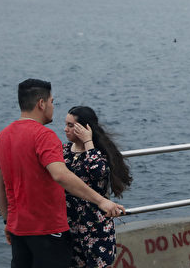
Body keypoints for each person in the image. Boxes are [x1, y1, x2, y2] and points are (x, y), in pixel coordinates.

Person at [0, 79, 125, 268]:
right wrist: (102, 201)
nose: (53, 107)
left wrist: (7, 220)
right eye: (52, 102)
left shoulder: (2, 136)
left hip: (17, 229)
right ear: (41, 103)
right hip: (48, 231)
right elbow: (60, 175)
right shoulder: (44, 136)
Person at [63, 106, 132, 268]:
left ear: (85, 128)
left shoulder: (98, 153)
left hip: (96, 227)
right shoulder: (64, 151)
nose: (65, 129)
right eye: (66, 124)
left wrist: (88, 142)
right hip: (71, 225)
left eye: (71, 126)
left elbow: (98, 173)